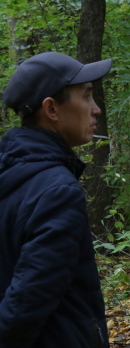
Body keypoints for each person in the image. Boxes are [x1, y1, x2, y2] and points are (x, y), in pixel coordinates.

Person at [0, 51, 112, 347]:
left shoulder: (11, 173)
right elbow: (25, 306)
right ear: (51, 109)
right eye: (87, 96)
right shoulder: (57, 192)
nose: (96, 109)